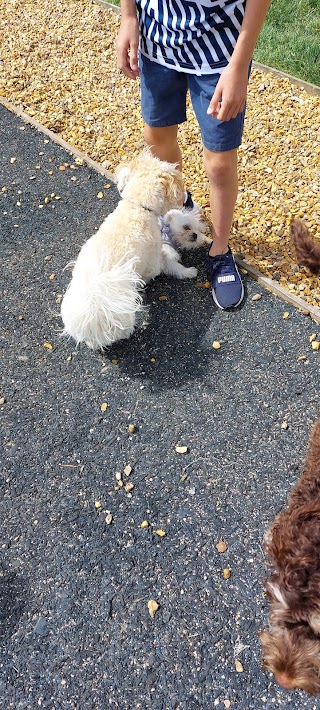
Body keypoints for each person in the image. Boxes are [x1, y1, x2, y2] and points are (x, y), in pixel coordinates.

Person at [116, 0, 272, 309]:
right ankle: (180, 208)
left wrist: (239, 65)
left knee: (219, 164)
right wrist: (129, 15)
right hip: (156, 38)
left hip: (220, 47)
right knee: (157, 136)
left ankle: (220, 249)